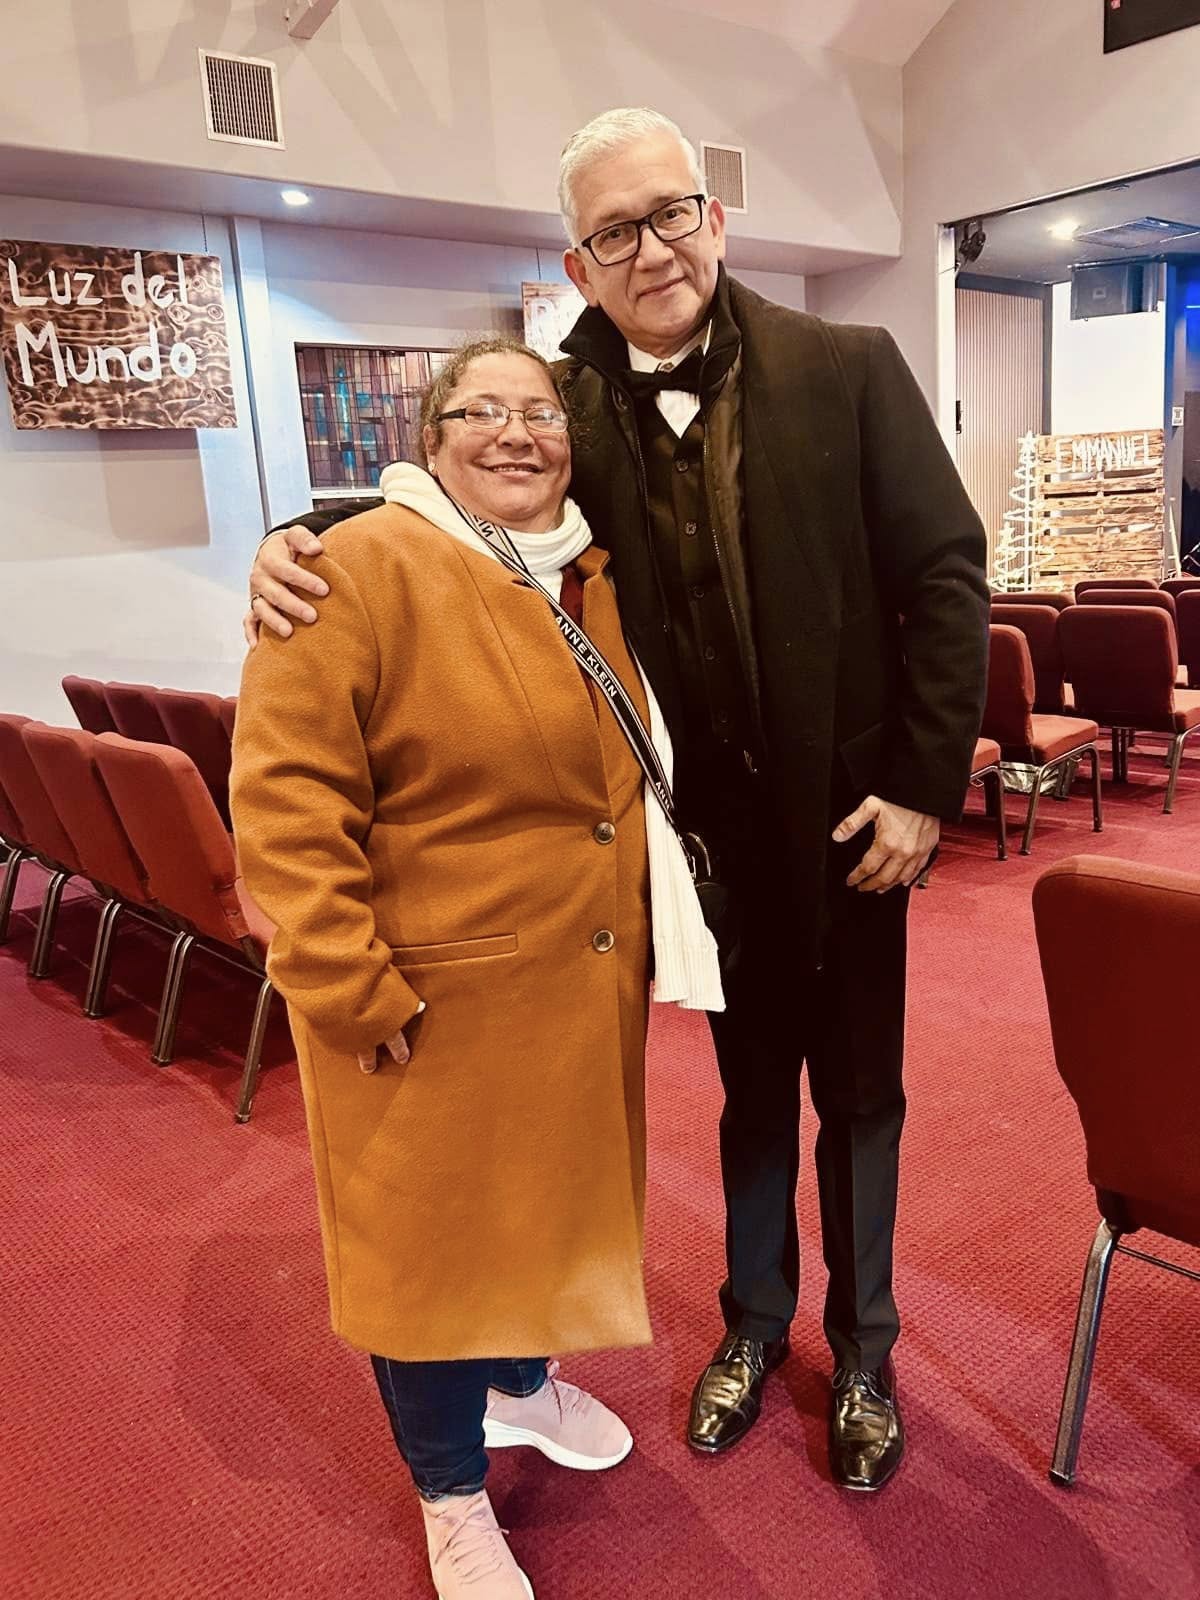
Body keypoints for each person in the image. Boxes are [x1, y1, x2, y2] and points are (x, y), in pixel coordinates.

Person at [245, 107, 990, 1494]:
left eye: (669, 214)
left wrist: (917, 787)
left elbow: (946, 575)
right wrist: (298, 538)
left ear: (715, 218)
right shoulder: (566, 399)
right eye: (612, 233)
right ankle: (753, 1325)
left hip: (853, 829)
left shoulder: (851, 364)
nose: (650, 250)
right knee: (748, 1100)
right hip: (696, 851)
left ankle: (866, 1353)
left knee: (862, 1099)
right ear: (577, 264)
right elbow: (459, 498)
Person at [231, 335, 721, 1600]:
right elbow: (284, 811)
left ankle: (521, 1382)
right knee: (432, 1258)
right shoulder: (353, 572)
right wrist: (349, 988)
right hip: (423, 997)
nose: (515, 432)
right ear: (430, 436)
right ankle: (451, 1496)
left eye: (541, 413)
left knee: (537, 1213)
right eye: (481, 410)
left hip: (571, 983)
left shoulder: (589, 572)